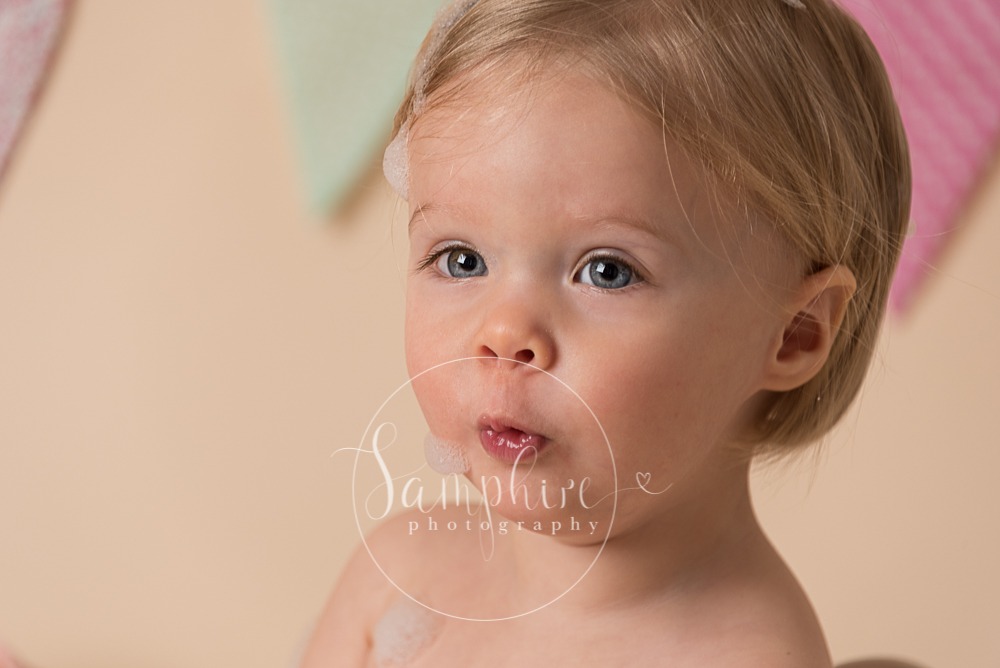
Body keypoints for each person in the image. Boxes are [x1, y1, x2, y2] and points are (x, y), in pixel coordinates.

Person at [300, 0, 910, 665]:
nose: (504, 333)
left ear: (793, 334)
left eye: (607, 272)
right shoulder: (402, 573)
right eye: (461, 260)